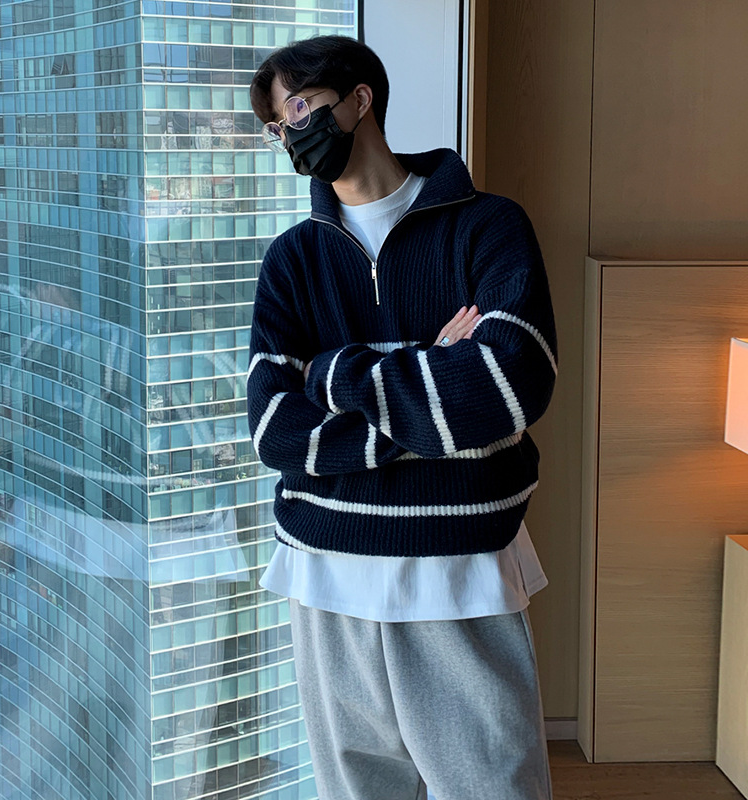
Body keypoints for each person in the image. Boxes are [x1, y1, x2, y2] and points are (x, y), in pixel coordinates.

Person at [247, 35, 557, 800]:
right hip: (325, 577)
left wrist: (332, 373)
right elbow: (276, 431)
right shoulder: (292, 259)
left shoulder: (488, 227)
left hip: (458, 572)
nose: (289, 134)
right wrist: (432, 385)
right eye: (277, 125)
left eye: (299, 108)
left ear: (360, 99)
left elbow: (509, 386)